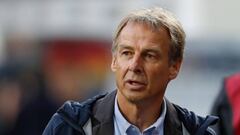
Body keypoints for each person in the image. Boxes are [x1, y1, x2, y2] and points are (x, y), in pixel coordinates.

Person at [43, 7, 218, 135]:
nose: (134, 65)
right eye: (127, 53)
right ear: (114, 61)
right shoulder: (67, 127)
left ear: (174, 67)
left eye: (149, 55)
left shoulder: (198, 132)